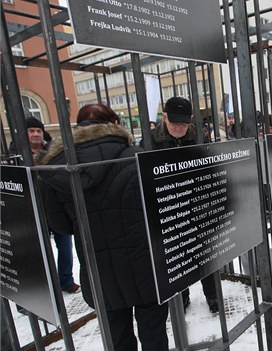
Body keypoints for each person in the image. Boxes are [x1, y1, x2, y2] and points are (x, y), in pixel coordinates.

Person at [35, 104, 168, 350]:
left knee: (118, 339)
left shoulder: (53, 168)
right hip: (145, 266)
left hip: (98, 271)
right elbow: (159, 212)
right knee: (153, 334)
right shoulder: (137, 156)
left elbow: (60, 225)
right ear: (114, 123)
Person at [144, 96, 219, 313]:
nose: (179, 128)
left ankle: (212, 296)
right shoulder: (149, 141)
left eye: (184, 123)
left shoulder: (200, 138)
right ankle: (181, 297)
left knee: (206, 254)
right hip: (167, 208)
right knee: (176, 258)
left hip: (198, 205)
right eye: (175, 122)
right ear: (164, 117)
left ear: (192, 119)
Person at [9, 117, 80, 295]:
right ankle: (42, 286)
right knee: (36, 252)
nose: (35, 134)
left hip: (56, 208)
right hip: (30, 210)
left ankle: (66, 280)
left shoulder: (54, 152)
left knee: (65, 247)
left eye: (38, 131)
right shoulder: (16, 156)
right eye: (31, 131)